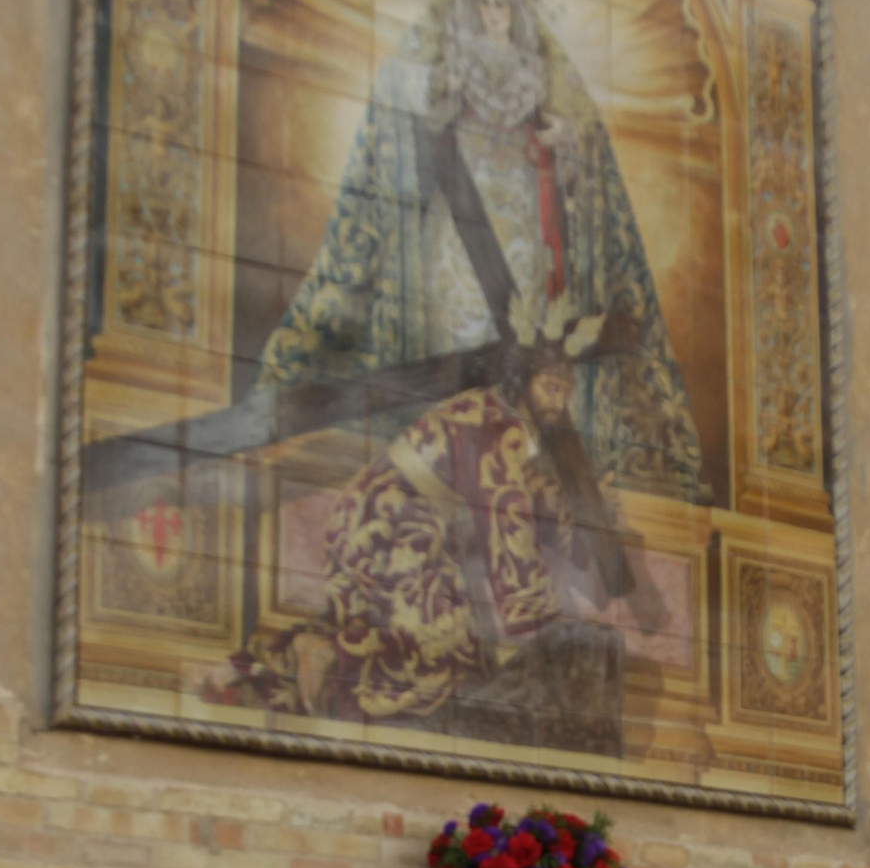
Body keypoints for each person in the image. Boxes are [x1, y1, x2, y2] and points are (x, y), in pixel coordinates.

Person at [253, 0, 705, 503]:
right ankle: (449, 439)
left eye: (503, 6)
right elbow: (406, 114)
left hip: (521, 215)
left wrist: (564, 142)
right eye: (485, 4)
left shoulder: (545, 70)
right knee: (454, 318)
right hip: (458, 221)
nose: (494, 15)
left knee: (519, 328)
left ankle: (516, 444)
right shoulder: (443, 54)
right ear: (471, 6)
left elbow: (582, 151)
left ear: (517, 11)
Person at [202, 320, 652, 757]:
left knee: (412, 635)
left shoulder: (500, 419)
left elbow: (529, 497)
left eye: (565, 391)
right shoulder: (501, 426)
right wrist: (536, 616)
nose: (558, 402)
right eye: (550, 388)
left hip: (388, 520)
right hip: (391, 519)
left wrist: (588, 512)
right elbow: (507, 518)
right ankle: (326, 658)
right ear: (524, 380)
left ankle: (294, 657)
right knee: (436, 645)